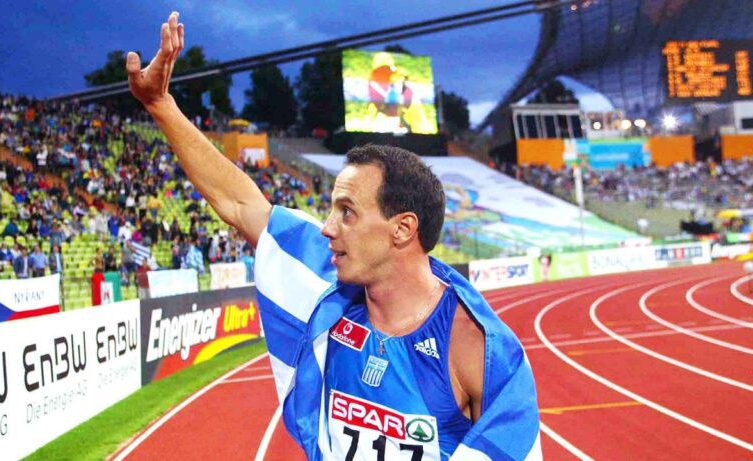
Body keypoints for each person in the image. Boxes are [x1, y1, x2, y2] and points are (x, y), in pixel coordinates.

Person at [127, 13, 540, 460]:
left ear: (402, 229)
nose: (327, 227)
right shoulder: (325, 280)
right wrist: (160, 104)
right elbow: (240, 203)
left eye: (347, 212)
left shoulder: (478, 347)